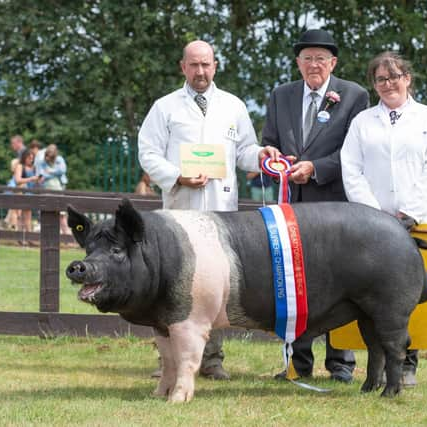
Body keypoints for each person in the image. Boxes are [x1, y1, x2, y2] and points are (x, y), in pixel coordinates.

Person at [138, 40, 280, 380]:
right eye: (194, 65)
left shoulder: (232, 106)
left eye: (206, 65)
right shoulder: (165, 108)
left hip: (221, 212)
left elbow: (243, 150)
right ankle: (170, 361)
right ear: (182, 67)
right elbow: (148, 152)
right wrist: (178, 177)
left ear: (215, 66)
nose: (200, 72)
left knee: (216, 287)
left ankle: (212, 359)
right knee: (175, 287)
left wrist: (260, 156)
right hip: (180, 214)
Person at [262, 28, 369, 383]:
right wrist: (272, 156)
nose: (313, 65)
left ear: (333, 62)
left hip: (335, 207)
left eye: (321, 58)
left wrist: (317, 169)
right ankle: (297, 363)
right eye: (307, 58)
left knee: (341, 283)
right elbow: (269, 142)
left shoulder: (354, 95)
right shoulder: (280, 95)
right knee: (294, 284)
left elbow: (355, 153)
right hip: (292, 209)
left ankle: (341, 364)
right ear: (297, 62)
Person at [340, 51, 427, 387]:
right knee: (373, 293)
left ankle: (408, 363)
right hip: (374, 226)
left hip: (420, 220)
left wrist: (411, 212)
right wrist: (375, 215)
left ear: (408, 79)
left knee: (413, 292)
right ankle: (377, 364)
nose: (388, 84)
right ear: (374, 85)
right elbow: (351, 168)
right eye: (381, 79)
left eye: (394, 76)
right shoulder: (362, 122)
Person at [36, 144, 70, 234]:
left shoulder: (60, 159)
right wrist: (53, 173)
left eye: (51, 157)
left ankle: (67, 237)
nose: (48, 159)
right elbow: (41, 175)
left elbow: (62, 171)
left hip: (59, 188)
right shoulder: (41, 161)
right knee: (46, 213)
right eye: (47, 156)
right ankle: (47, 236)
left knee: (61, 214)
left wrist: (50, 173)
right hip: (46, 189)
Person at [14, 148, 42, 240]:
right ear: (24, 157)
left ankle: (29, 238)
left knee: (28, 216)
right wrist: (31, 179)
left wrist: (38, 180)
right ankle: (20, 238)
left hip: (30, 193)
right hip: (21, 193)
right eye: (29, 158)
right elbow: (17, 180)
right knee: (20, 216)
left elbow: (34, 183)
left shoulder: (33, 168)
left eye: (32, 158)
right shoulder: (20, 166)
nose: (31, 160)